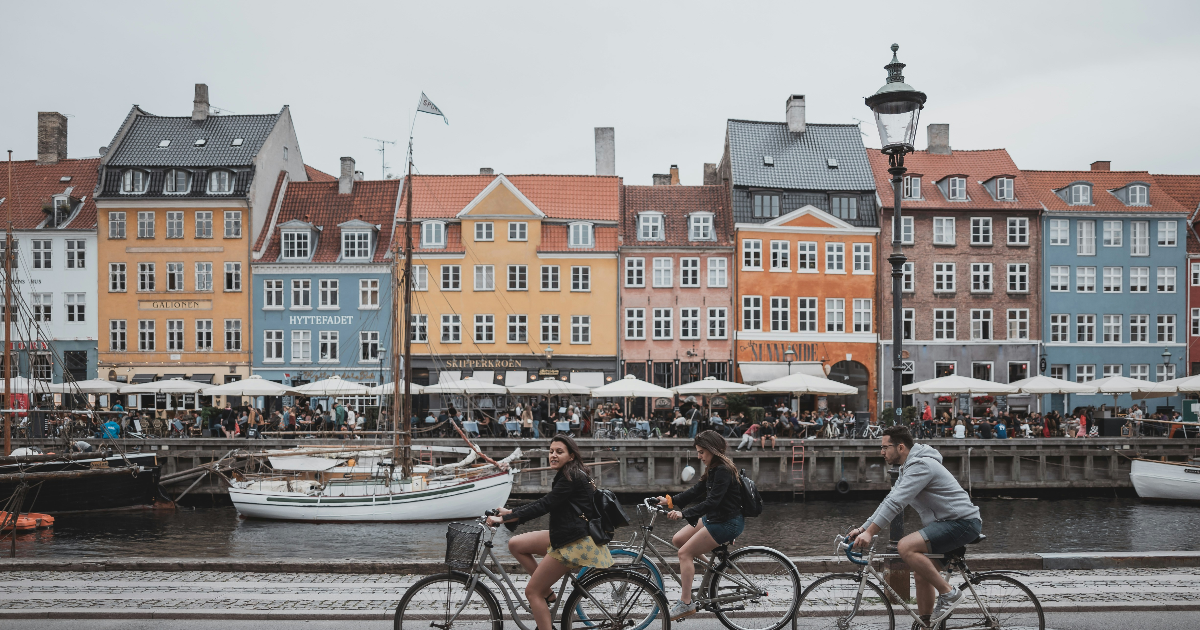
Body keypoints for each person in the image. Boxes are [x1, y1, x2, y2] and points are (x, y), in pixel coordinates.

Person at [849, 426, 982, 627]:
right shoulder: (908, 467)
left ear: (900, 447)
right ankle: (927, 624)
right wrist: (863, 529)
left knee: (905, 546)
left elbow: (896, 504)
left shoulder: (921, 466)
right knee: (922, 573)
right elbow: (889, 500)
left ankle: (949, 594)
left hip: (962, 522)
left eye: (885, 447)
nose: (881, 452)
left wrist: (870, 533)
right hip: (948, 523)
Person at [487, 435, 612, 630]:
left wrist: (503, 518)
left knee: (532, 592)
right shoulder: (570, 473)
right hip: (565, 532)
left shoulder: (571, 477)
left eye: (559, 452)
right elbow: (547, 502)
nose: (553, 455)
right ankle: (548, 593)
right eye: (551, 451)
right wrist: (511, 513)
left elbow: (545, 505)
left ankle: (541, 595)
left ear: (571, 456)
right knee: (516, 544)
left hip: (573, 541)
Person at [653, 430, 745, 620]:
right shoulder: (714, 468)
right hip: (716, 517)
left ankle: (686, 603)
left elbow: (712, 502)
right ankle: (712, 570)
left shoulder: (723, 470)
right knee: (678, 539)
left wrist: (683, 513)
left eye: (702, 451)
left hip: (727, 522)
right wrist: (669, 501)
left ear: (713, 450)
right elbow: (696, 490)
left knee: (684, 553)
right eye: (698, 451)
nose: (699, 456)